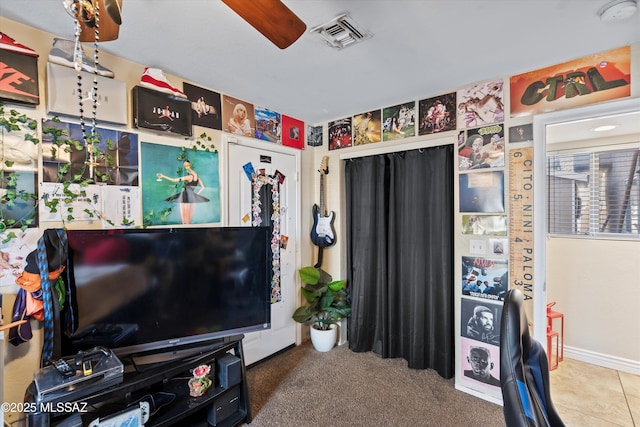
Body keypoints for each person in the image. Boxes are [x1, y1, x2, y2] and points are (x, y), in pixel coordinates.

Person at [156, 159, 209, 224]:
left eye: (187, 165)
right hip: (191, 197)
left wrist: (163, 176)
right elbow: (203, 187)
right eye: (185, 166)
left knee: (185, 220)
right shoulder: (197, 177)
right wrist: (195, 195)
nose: (186, 167)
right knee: (188, 220)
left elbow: (174, 180)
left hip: (185, 196)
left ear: (190, 165)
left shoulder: (189, 177)